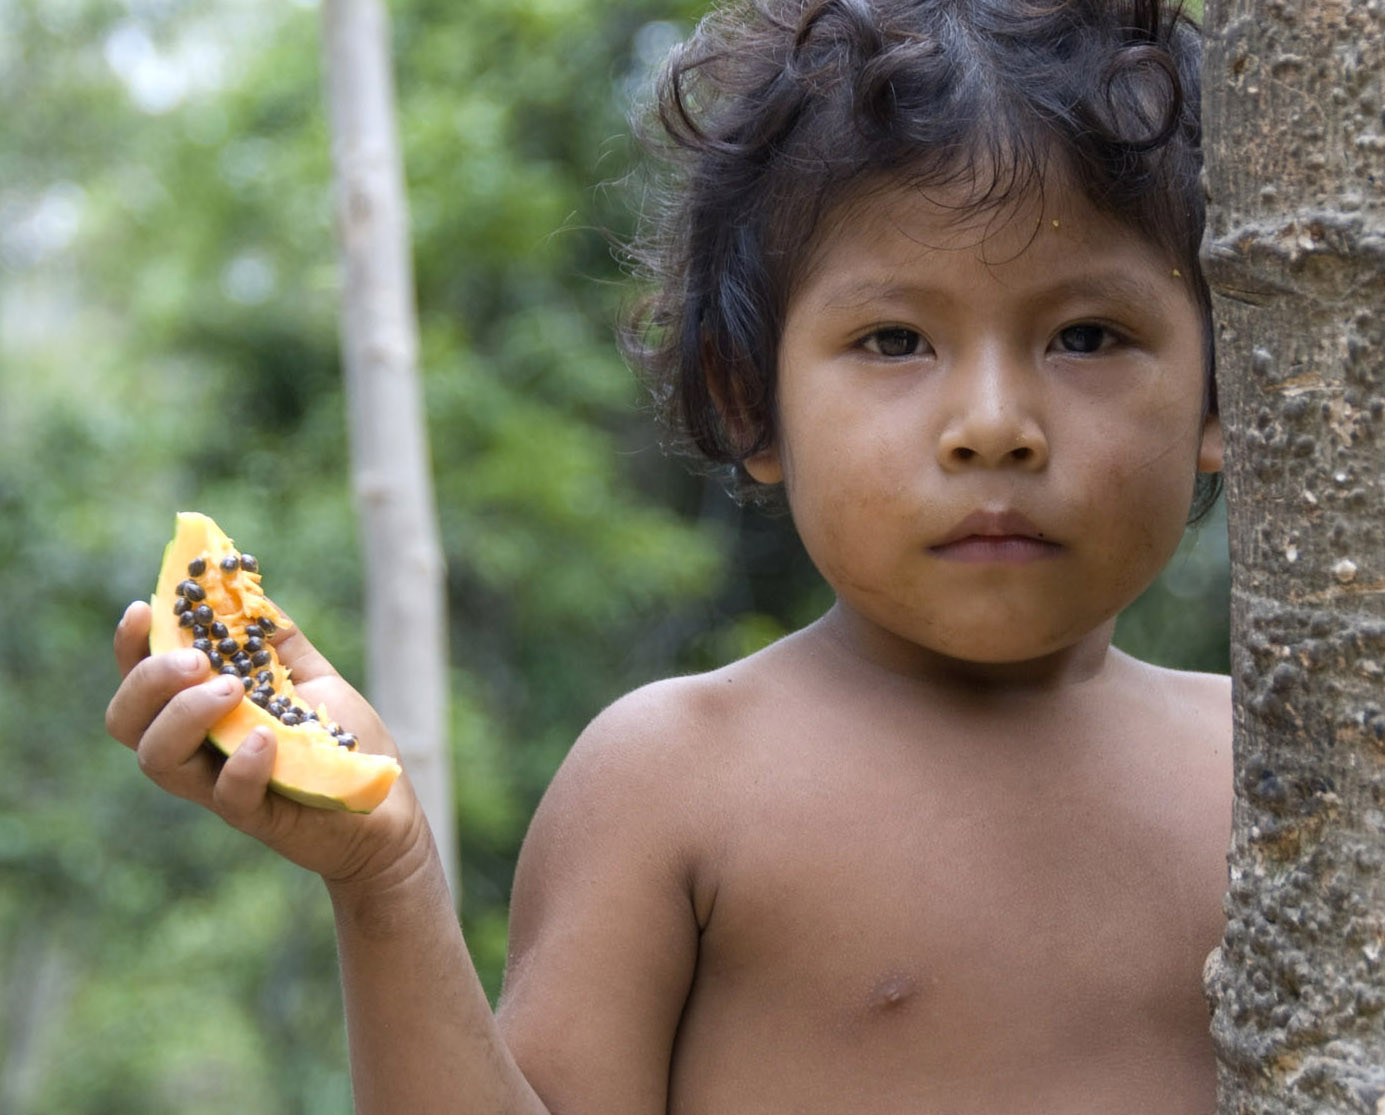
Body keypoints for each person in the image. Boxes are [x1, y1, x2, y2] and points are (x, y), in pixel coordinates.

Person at [106, 0, 1233, 1110]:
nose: (992, 424)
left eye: (1086, 336)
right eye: (894, 340)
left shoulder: (1273, 772)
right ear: (748, 399)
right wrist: (382, 877)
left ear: (1230, 390)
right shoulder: (672, 782)